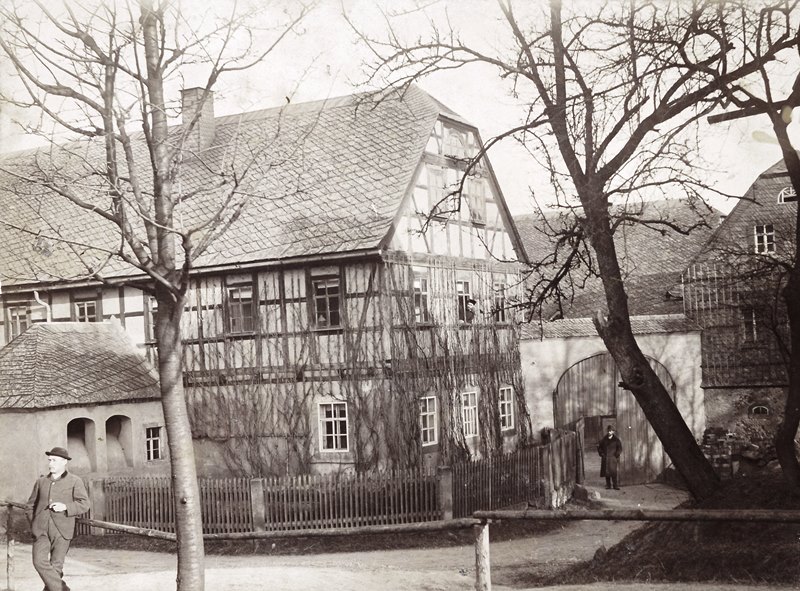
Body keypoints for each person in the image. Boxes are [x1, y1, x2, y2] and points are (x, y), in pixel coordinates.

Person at [26, 447, 90, 591]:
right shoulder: (41, 481)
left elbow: (85, 504)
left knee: (56, 567)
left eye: (54, 461)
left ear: (64, 463)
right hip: (41, 530)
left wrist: (65, 507)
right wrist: (35, 523)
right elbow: (30, 506)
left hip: (63, 531)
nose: (50, 464)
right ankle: (62, 589)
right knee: (38, 561)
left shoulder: (75, 481)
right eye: (49, 460)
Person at [597, 425, 623, 490]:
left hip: (612, 458)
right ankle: (608, 485)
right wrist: (602, 454)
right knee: (607, 472)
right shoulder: (604, 439)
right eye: (608, 430)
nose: (609, 432)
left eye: (611, 431)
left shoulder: (616, 440)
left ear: (613, 432)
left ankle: (615, 485)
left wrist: (616, 455)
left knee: (613, 472)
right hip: (605, 458)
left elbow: (619, 449)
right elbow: (599, 447)